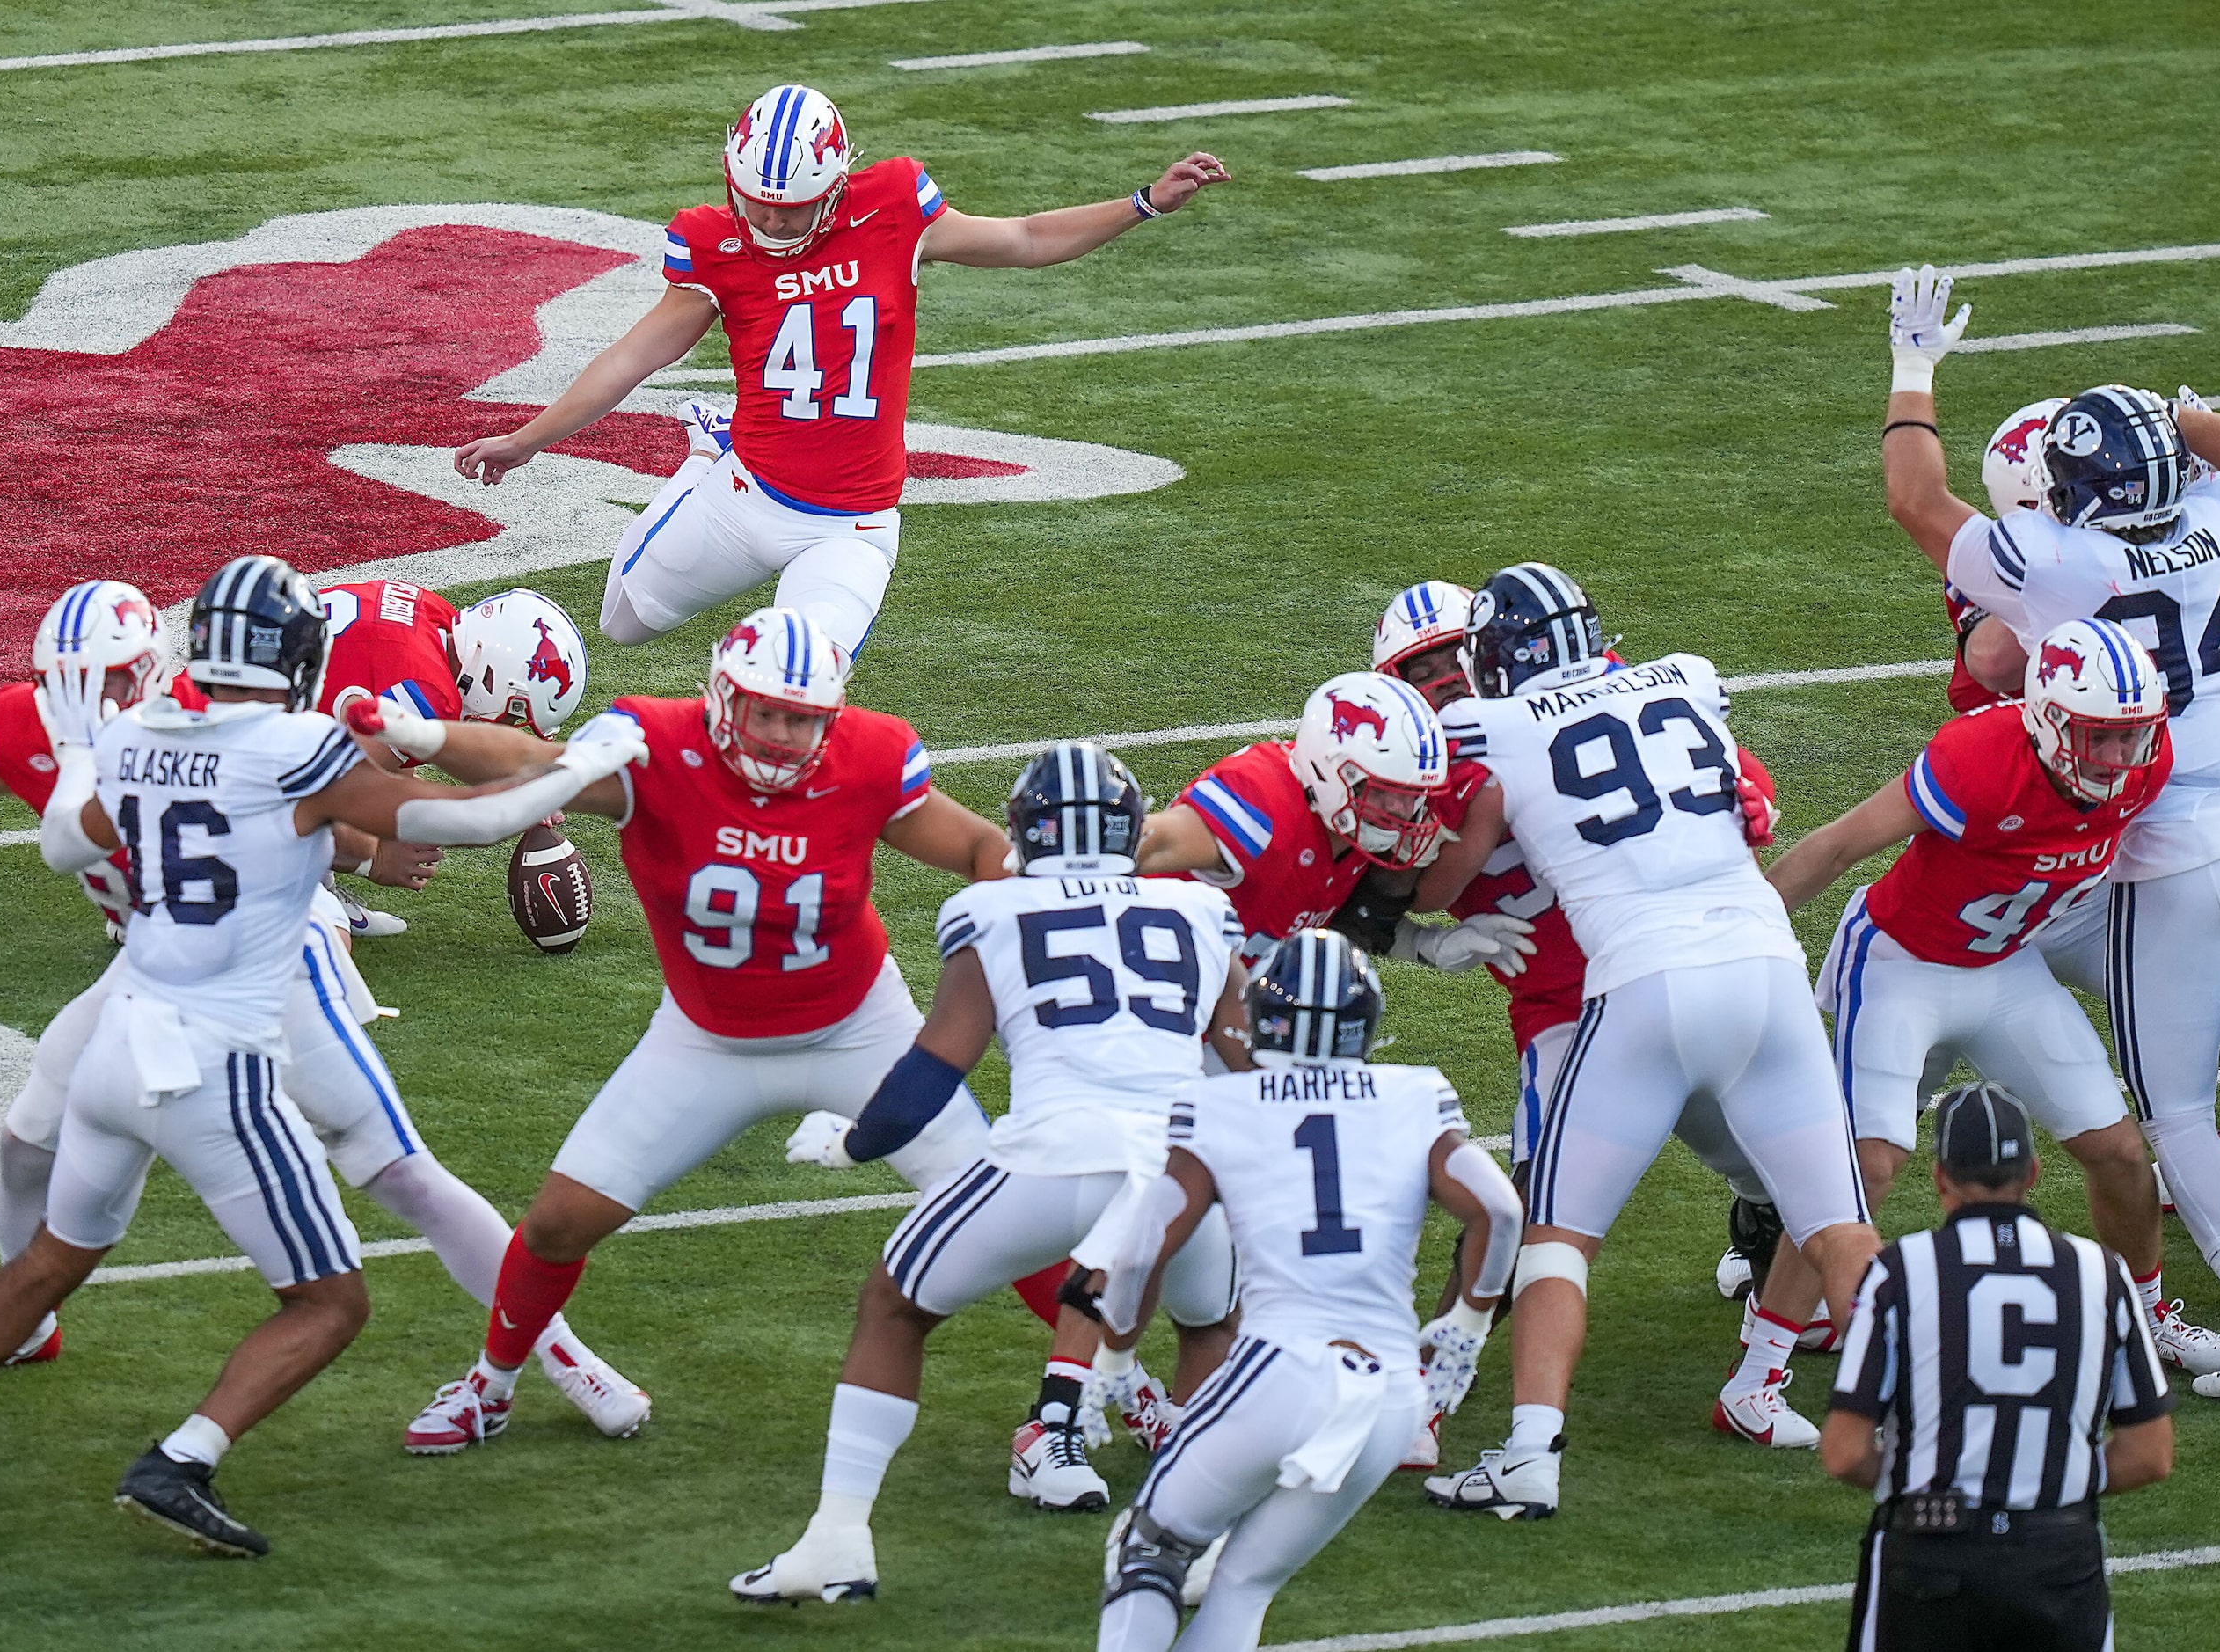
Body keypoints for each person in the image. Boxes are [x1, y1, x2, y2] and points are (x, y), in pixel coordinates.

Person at [0, 555, 647, 1554]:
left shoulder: (139, 731)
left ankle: (562, 1357)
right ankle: (135, 1433)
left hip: (193, 981)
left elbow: (77, 838)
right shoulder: (241, 731)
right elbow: (430, 811)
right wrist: (577, 768)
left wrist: (87, 751)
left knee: (377, 1172)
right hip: (206, 1004)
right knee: (293, 1262)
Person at [396, 607, 1021, 1453]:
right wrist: (428, 735)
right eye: (767, 711)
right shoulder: (655, 745)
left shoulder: (870, 755)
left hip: (858, 1028)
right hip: (705, 1037)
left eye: (803, 718)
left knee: (1008, 1212)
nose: (782, 734)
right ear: (724, 697)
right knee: (555, 1223)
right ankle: (490, 1385)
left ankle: (1103, 1391)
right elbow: (533, 764)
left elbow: (986, 852)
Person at [1884, 264, 2220, 1396]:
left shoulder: (2068, 558)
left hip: (2175, 860)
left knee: (2170, 1113)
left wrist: (1913, 371)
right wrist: (2176, 417)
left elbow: (1920, 506)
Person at [731, 742, 1252, 1602]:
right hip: (1178, 1172)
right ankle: (1193, 1540)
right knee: (1208, 1327)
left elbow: (937, 1068)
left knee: (895, 1305)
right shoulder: (1199, 914)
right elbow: (1246, 1067)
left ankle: (839, 1537)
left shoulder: (995, 910)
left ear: (1025, 834)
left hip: (1051, 1161)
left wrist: (856, 1142)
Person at [451, 83, 1228, 657]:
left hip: (851, 525)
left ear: (837, 182)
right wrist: (530, 437)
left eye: (794, 205)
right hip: (746, 493)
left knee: (801, 677)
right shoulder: (714, 245)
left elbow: (1023, 238)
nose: (776, 220)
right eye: (758, 204)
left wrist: (1144, 202)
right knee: (622, 623)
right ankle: (702, 457)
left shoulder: (892, 207)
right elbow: (633, 356)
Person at [1417, 562, 1881, 1517]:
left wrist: (1416, 922)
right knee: (1840, 1227)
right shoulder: (1686, 675)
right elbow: (1745, 797)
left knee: (1555, 1239)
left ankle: (1530, 1454)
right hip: (1765, 966)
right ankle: (1922, 1426)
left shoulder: (1491, 726)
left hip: (1642, 985)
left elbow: (1436, 880)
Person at [1765, 617, 2220, 1376]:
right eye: (2097, 737)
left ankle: (2139, 1320)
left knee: (2115, 1151)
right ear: (2046, 722)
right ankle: (1758, 1366)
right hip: (1901, 963)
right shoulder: (1977, 758)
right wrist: (1738, 927)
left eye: (2131, 735)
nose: (2118, 757)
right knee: (1867, 1165)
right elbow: (1840, 844)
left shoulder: (2146, 761)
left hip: (2004, 965)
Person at [1089, 929, 1523, 1651]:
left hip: (1280, 1367)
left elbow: (1139, 1250)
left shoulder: (1223, 1104)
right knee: (1245, 1583)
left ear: (1262, 1017)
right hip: (1389, 1394)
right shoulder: (1413, 1093)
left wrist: (1112, 1359)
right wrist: (1466, 1327)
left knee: (1151, 1548)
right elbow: (1501, 1211)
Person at [1823, 1083, 2173, 1652]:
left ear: (1940, 1177)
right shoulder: (2099, 1272)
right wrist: (2046, 1486)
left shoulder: (1899, 1271)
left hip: (1931, 1553)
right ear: (2032, 1172)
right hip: (2058, 1558)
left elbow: (1844, 1451)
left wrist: (1924, 1479)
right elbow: (2148, 1454)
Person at [312, 579, 587, 934]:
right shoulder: (428, 695)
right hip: (230, 759)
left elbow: (385, 759)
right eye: (514, 713)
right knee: (328, 942)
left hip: (244, 694)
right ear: (492, 678)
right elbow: (314, 795)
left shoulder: (435, 615)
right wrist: (373, 858)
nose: (508, 725)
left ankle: (315, 884)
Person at [1134, 671, 1451, 967]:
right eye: (1383, 789)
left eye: (1413, 793)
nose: (1399, 809)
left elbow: (1332, 920)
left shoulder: (1351, 832)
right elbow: (1132, 843)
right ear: (1329, 770)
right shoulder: (1264, 801)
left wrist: (1420, 943)